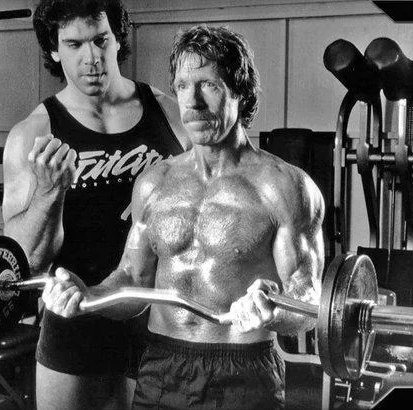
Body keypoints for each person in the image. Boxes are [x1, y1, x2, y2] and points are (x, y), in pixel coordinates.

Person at [43, 24, 325, 410]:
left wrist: (275, 306)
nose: (192, 102)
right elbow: (133, 280)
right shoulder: (153, 183)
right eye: (181, 87)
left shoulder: (286, 188)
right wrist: (88, 296)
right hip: (162, 366)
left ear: (240, 92)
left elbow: (308, 301)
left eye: (208, 84)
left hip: (242, 373)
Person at [1, 0, 190, 408]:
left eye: (100, 40)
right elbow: (23, 261)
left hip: (161, 318)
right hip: (76, 316)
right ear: (53, 49)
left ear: (117, 36)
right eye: (74, 44)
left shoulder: (170, 113)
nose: (92, 59)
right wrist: (50, 191)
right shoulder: (33, 133)